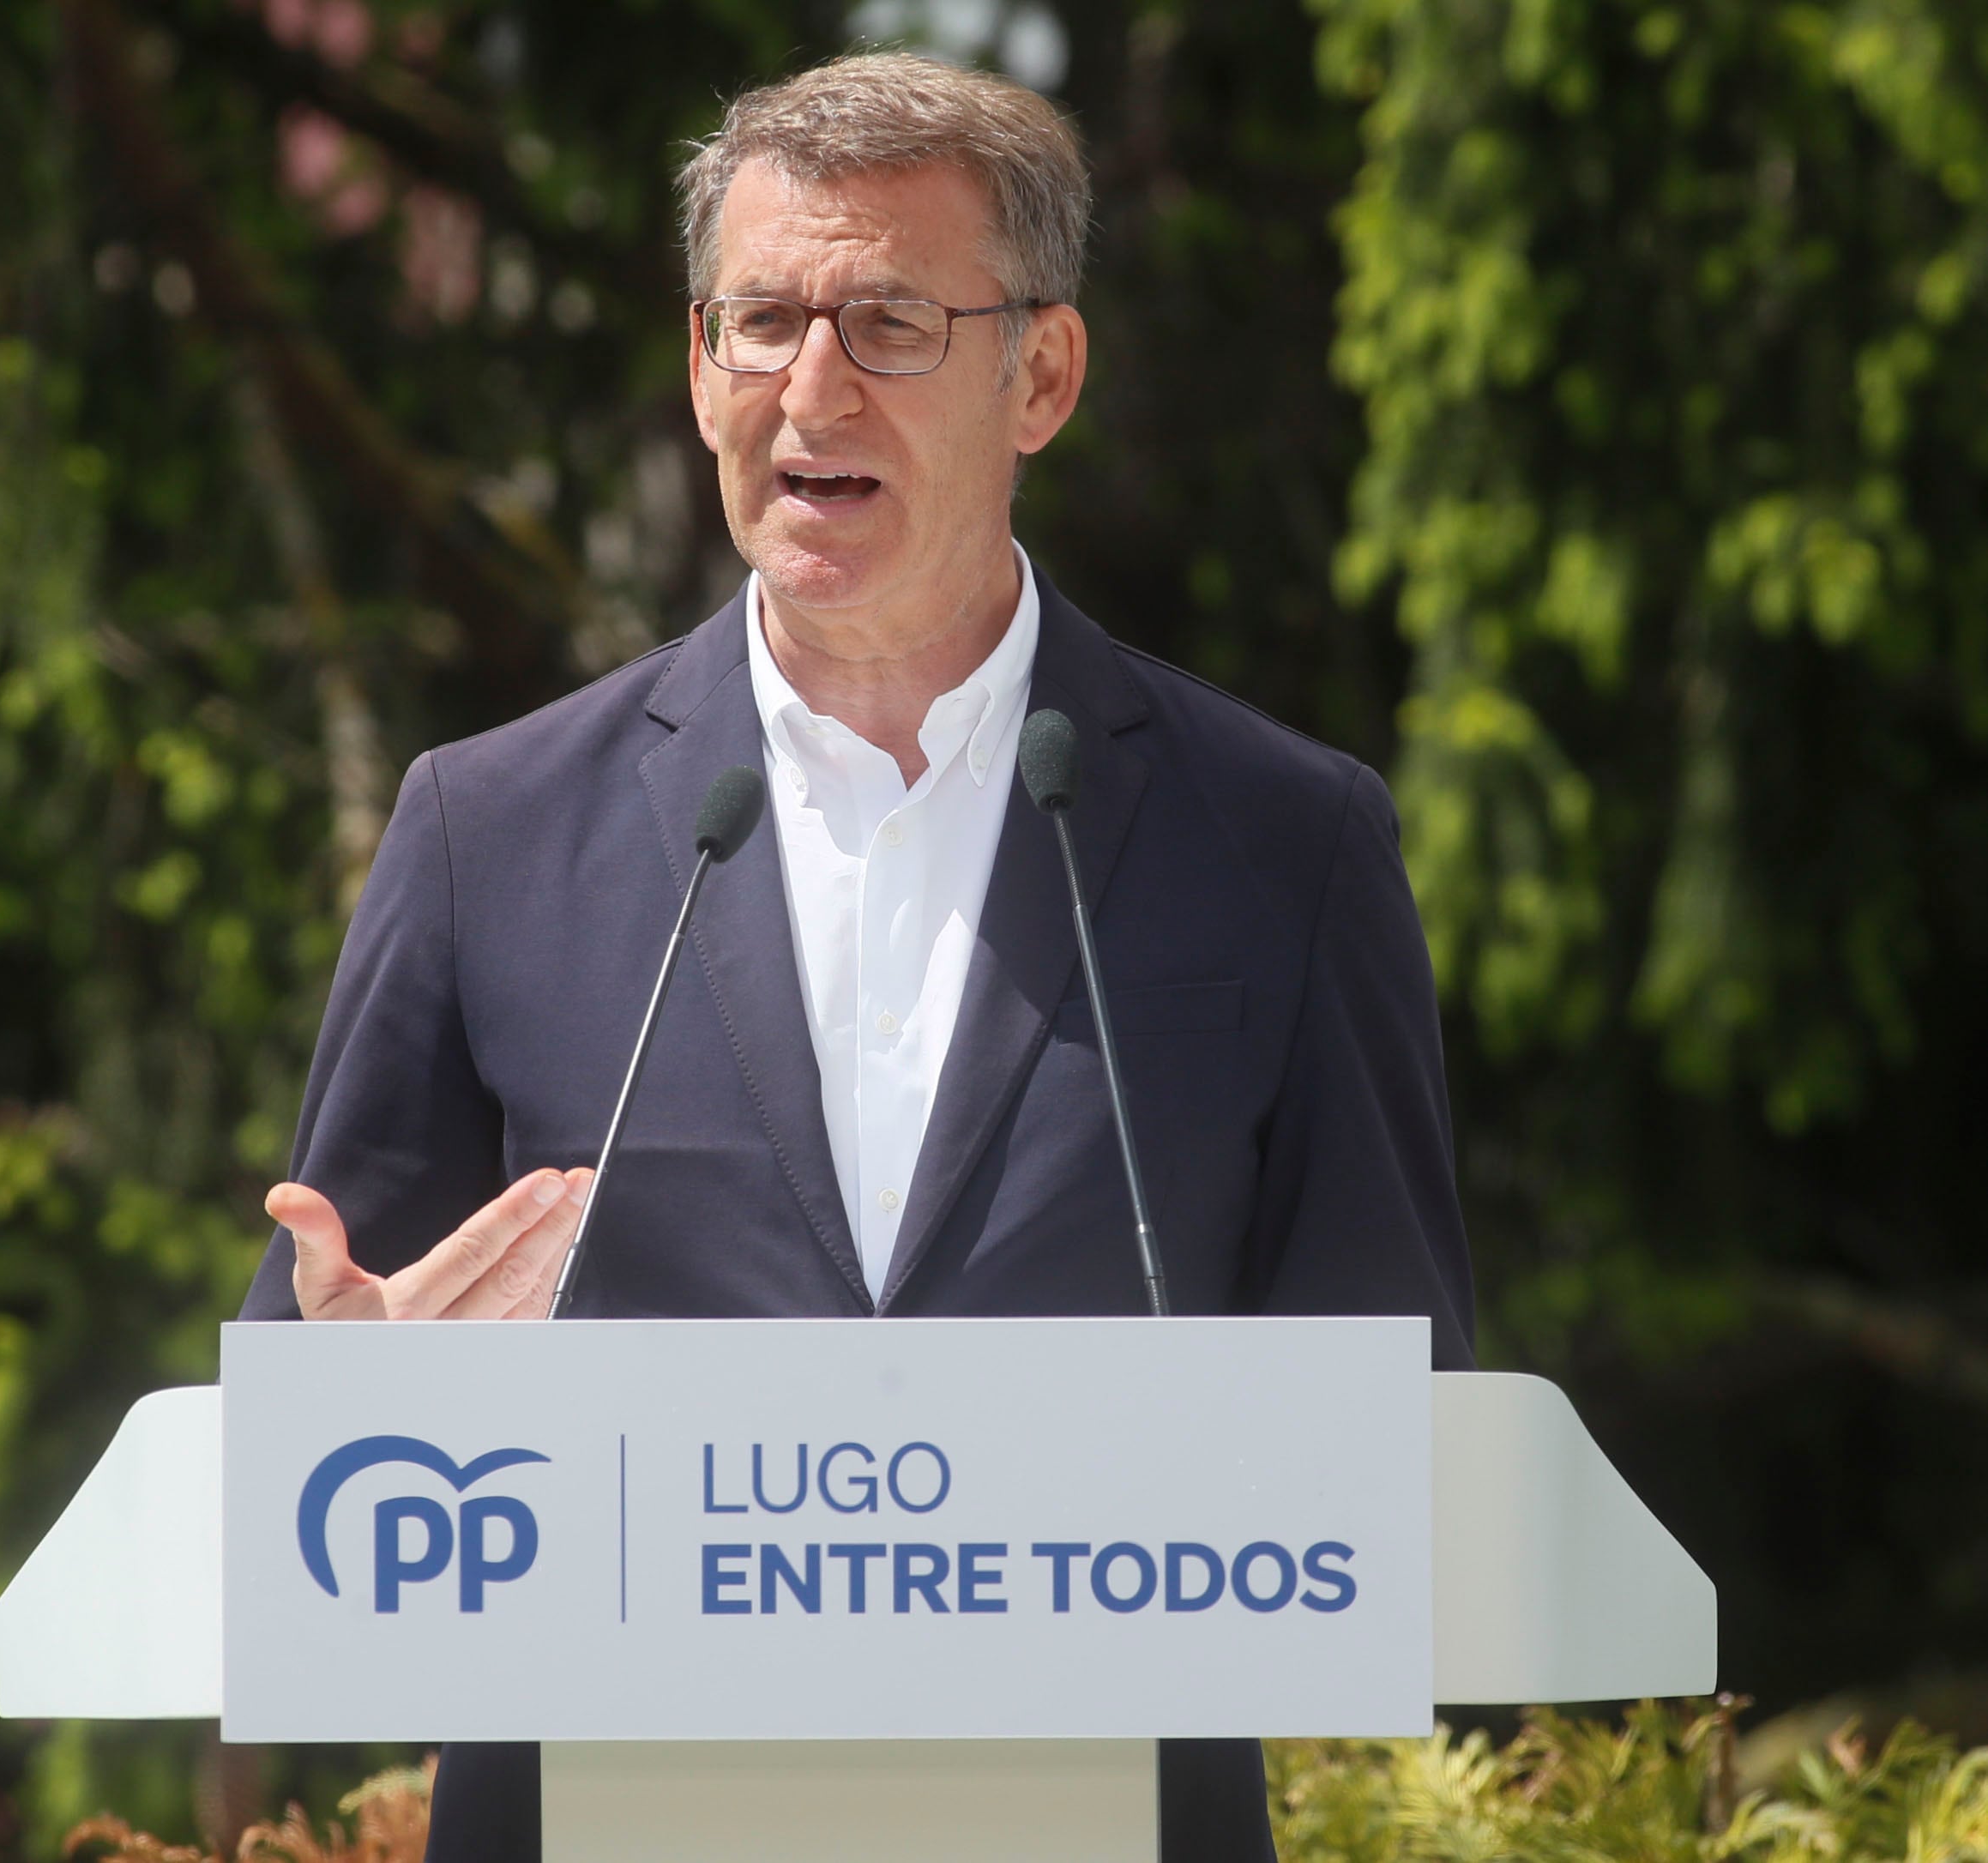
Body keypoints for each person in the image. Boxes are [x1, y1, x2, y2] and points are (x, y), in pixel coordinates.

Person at [236, 50, 1475, 1863]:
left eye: (890, 321)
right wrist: (336, 1408)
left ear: (1038, 373)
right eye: (760, 322)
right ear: (695, 363)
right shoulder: (485, 832)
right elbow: (312, 1409)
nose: (808, 388)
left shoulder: (1280, 842)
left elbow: (1407, 1429)